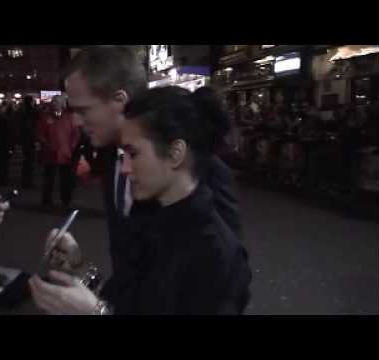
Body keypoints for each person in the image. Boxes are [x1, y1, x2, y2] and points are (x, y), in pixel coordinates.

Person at [29, 86, 251, 314]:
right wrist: (79, 267)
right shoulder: (150, 219)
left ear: (176, 153)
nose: (124, 168)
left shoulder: (216, 254)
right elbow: (126, 299)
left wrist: (96, 312)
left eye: (133, 154)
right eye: (122, 156)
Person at [57, 46, 242, 283]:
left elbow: (224, 280)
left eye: (83, 110)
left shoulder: (201, 168)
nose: (75, 121)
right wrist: (83, 271)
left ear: (119, 100)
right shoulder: (108, 155)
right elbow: (129, 265)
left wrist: (98, 310)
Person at [37, 95, 81, 210]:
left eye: (57, 102)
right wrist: (46, 144)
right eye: (53, 102)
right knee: (48, 179)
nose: (54, 104)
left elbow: (76, 134)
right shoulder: (45, 117)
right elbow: (40, 134)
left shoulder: (70, 117)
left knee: (66, 179)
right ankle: (46, 201)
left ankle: (66, 201)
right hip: (49, 153)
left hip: (65, 153)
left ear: (62, 104)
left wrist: (71, 146)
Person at [18, 96, 39, 189]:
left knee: (27, 160)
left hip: (25, 138)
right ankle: (27, 181)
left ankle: (25, 180)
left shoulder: (21, 112)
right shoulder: (32, 112)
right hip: (30, 138)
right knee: (29, 161)